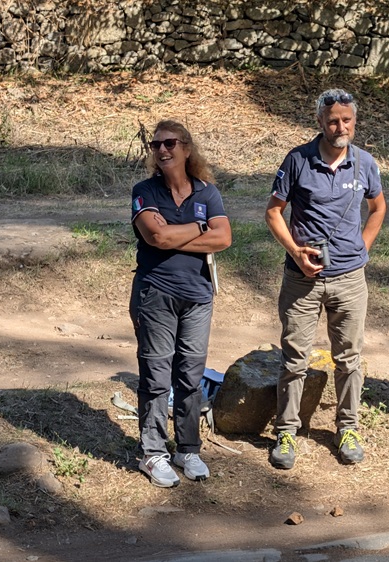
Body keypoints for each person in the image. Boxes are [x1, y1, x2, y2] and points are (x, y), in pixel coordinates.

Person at [264, 88, 387, 469]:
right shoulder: (297, 160)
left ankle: (348, 428)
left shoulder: (365, 163)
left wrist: (362, 249)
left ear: (355, 121)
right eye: (333, 121)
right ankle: (287, 432)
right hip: (302, 280)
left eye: (347, 120)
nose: (340, 127)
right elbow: (273, 212)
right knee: (294, 358)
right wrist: (295, 252)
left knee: (349, 359)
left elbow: (378, 207)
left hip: (350, 279)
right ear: (320, 121)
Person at [129, 119, 232, 486]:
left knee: (189, 376)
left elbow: (224, 238)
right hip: (155, 294)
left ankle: (187, 449)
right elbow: (156, 237)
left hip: (198, 297)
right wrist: (201, 228)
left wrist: (177, 234)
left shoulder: (207, 193)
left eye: (170, 143)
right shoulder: (145, 191)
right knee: (156, 376)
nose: (162, 150)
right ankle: (153, 453)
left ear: (187, 148)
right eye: (156, 145)